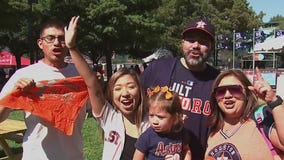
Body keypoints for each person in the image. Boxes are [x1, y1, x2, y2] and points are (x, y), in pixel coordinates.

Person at [0, 17, 87, 160]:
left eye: (62, 38)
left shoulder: (81, 75)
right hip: (37, 155)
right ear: (40, 43)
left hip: (74, 155)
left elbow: (97, 109)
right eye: (50, 38)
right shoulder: (23, 75)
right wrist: (15, 93)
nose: (57, 43)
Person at [67, 16, 149, 160]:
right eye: (118, 88)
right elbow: (92, 85)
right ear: (111, 94)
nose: (125, 93)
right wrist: (72, 47)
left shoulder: (153, 122)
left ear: (140, 91)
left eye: (131, 87)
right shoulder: (110, 118)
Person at [140, 18, 220, 159]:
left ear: (211, 47)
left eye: (203, 41)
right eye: (191, 40)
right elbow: (135, 104)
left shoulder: (218, 81)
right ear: (182, 43)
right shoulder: (158, 69)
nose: (196, 45)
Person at [205, 68, 284, 159]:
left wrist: (274, 101)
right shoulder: (212, 130)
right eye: (221, 91)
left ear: (247, 93)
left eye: (235, 89)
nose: (227, 95)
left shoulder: (261, 117)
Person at [133, 85, 191, 160]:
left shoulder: (181, 132)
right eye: (151, 115)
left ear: (175, 117)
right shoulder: (147, 137)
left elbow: (186, 149)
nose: (155, 121)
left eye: (160, 117)